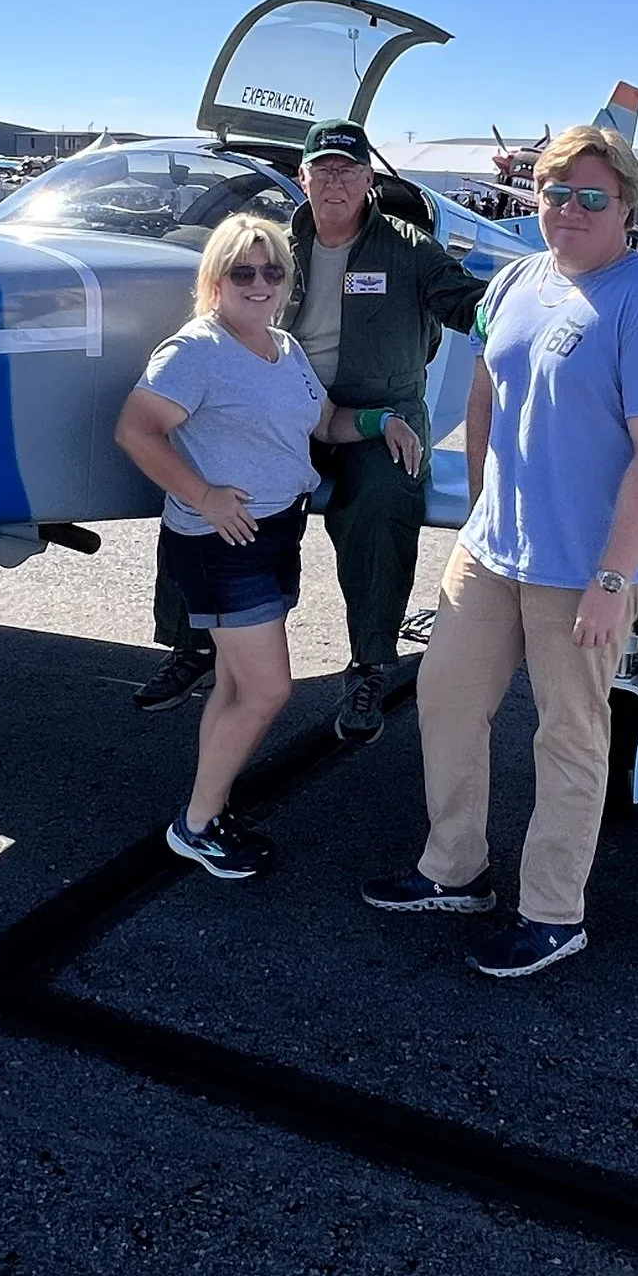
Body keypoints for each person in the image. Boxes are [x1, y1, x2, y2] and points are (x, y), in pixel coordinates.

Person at [362, 125, 638, 978]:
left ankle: (553, 913)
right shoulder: (518, 278)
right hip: (494, 552)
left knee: (569, 736)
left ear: (626, 203)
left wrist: (613, 578)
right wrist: (481, 506)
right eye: (557, 194)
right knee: (444, 699)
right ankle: (456, 869)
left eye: (593, 197)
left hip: (583, 568)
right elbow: (484, 390)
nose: (572, 211)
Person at [134, 118, 485, 742]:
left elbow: (466, 304)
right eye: (322, 169)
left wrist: (541, 310)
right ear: (303, 177)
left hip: (379, 418)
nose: (334, 181)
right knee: (209, 479)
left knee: (380, 501)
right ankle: (196, 644)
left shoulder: (406, 249)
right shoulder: (278, 246)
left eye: (347, 169)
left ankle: (372, 661)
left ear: (369, 178)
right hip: (289, 407)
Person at [115, 213, 422, 879]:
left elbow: (327, 422)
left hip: (275, 533)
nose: (260, 282)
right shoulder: (196, 350)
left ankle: (211, 803)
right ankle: (195, 824)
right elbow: (136, 430)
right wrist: (203, 495)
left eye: (273, 269)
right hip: (221, 544)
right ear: (215, 279)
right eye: (243, 270)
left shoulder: (284, 347)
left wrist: (382, 420)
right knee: (267, 690)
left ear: (288, 280)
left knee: (233, 684)